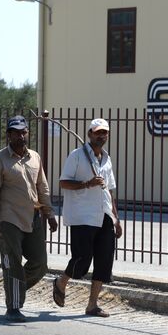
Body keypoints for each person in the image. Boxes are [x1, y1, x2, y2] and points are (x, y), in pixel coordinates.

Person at [0, 115, 58, 322]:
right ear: (8, 134)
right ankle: (14, 307)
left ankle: (14, 288)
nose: (21, 135)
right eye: (16, 132)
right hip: (9, 220)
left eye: (23, 131)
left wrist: (49, 213)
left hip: (33, 217)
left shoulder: (34, 157)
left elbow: (42, 187)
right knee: (13, 263)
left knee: (40, 263)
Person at [53, 118, 122, 317]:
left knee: (104, 260)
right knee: (82, 259)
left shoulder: (107, 159)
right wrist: (87, 184)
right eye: (98, 132)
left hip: (105, 215)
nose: (102, 136)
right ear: (90, 134)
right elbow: (64, 183)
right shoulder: (77, 156)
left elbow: (109, 190)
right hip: (83, 215)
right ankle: (61, 281)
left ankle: (92, 304)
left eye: (105, 133)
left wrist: (116, 218)